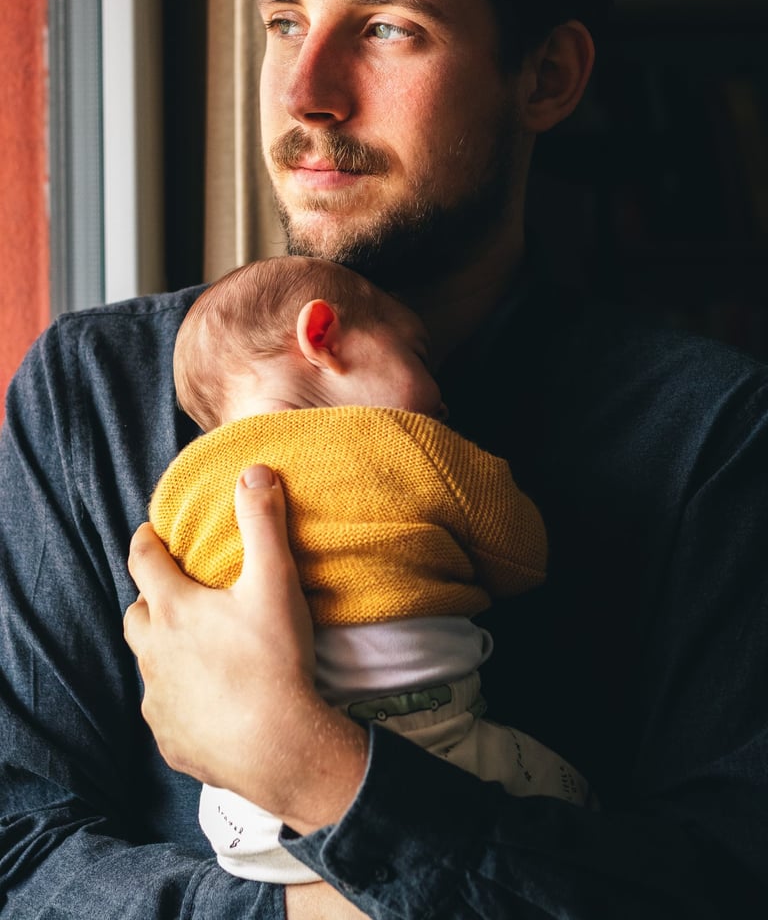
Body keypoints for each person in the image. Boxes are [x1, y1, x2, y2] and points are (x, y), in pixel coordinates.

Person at [1, 0, 766, 920]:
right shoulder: (93, 394)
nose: (307, 93)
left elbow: (725, 884)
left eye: (388, 29)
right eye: (285, 22)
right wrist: (302, 910)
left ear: (547, 76)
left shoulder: (713, 439)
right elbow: (17, 852)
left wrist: (314, 768)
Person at [153, 254, 590, 883]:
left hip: (238, 813)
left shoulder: (180, 491)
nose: (441, 396)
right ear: (323, 337)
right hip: (432, 751)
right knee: (575, 813)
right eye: (418, 354)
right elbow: (523, 558)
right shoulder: (408, 444)